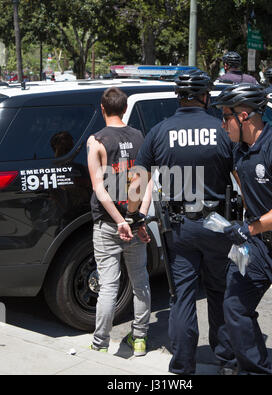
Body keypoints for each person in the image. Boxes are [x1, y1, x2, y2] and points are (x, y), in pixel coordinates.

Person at [121, 70, 237, 375]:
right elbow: (242, 179)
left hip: (179, 226)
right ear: (205, 96)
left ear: (179, 96)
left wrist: (133, 216)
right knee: (219, 291)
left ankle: (183, 367)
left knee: (182, 295)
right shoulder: (222, 130)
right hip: (218, 224)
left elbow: (136, 179)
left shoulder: (160, 131)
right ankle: (226, 360)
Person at [212, 83, 272, 375]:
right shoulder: (241, 152)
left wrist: (251, 227)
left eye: (226, 117)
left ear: (245, 116)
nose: (222, 123)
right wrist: (244, 226)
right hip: (259, 247)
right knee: (235, 308)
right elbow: (251, 196)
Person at [87, 87, 151, 356]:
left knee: (109, 285)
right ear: (125, 109)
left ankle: (100, 343)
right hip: (134, 221)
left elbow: (99, 188)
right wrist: (138, 218)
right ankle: (139, 339)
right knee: (140, 281)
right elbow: (147, 182)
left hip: (107, 223)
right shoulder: (140, 137)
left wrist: (119, 221)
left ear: (102, 109)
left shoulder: (97, 140)